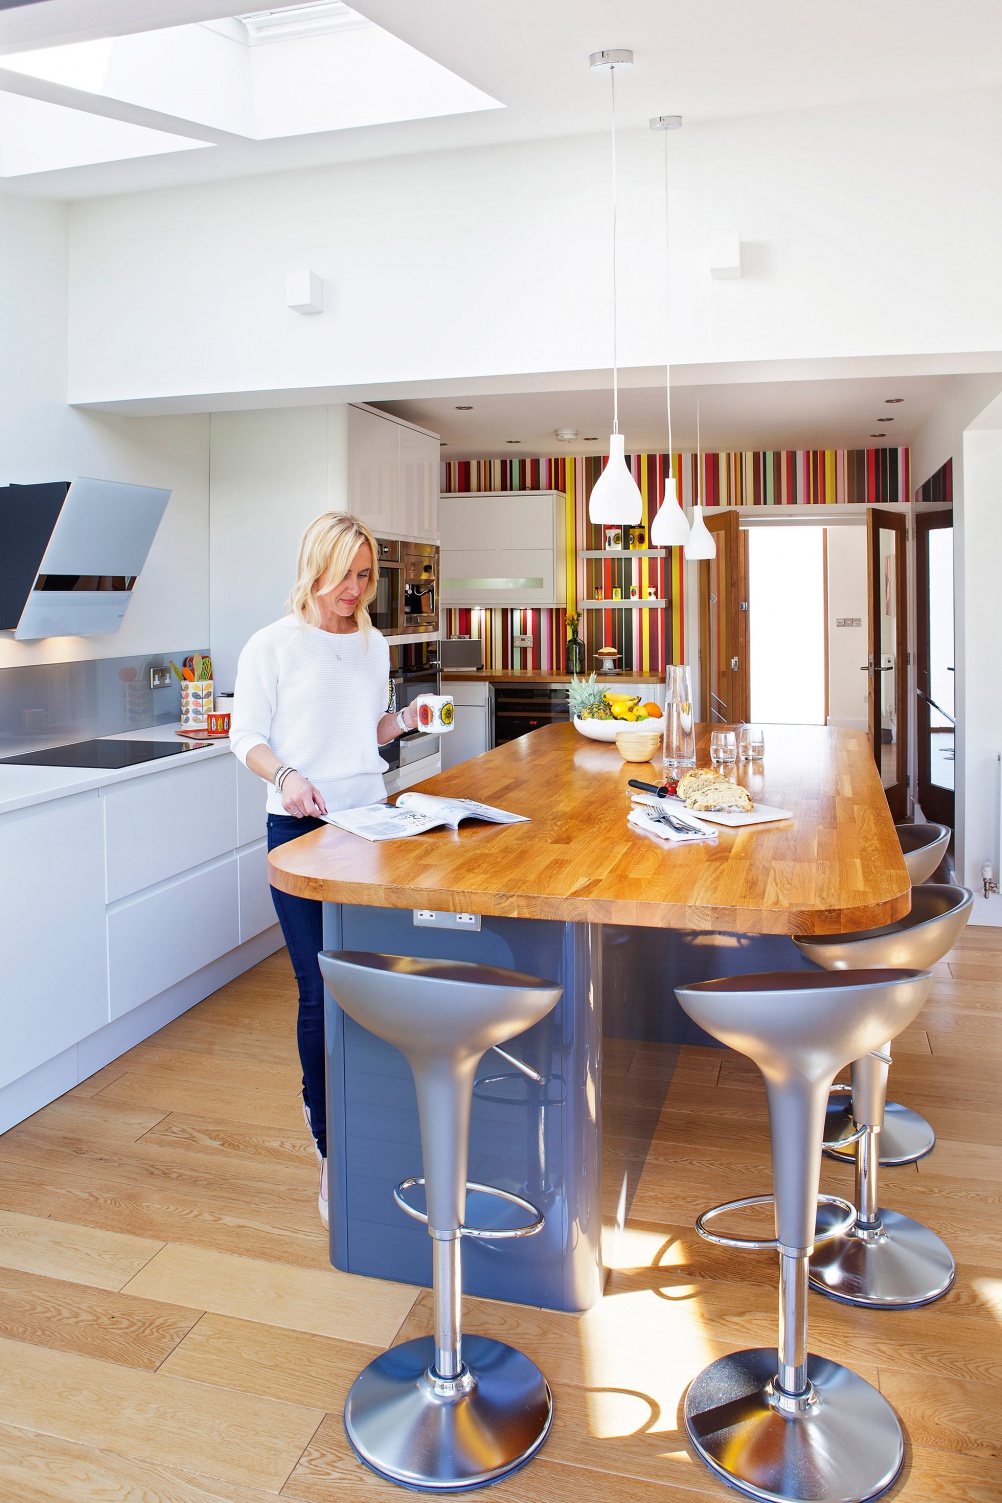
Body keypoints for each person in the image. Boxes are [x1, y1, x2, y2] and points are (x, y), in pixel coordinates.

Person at [229, 512, 421, 1228]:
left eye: (365, 575)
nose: (355, 588)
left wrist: (406, 720)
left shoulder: (372, 644)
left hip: (369, 826)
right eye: (343, 574)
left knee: (373, 980)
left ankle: (375, 1117)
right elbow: (245, 736)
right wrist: (286, 777)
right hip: (301, 828)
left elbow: (365, 732)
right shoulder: (272, 644)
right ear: (314, 568)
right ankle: (329, 1146)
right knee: (320, 988)